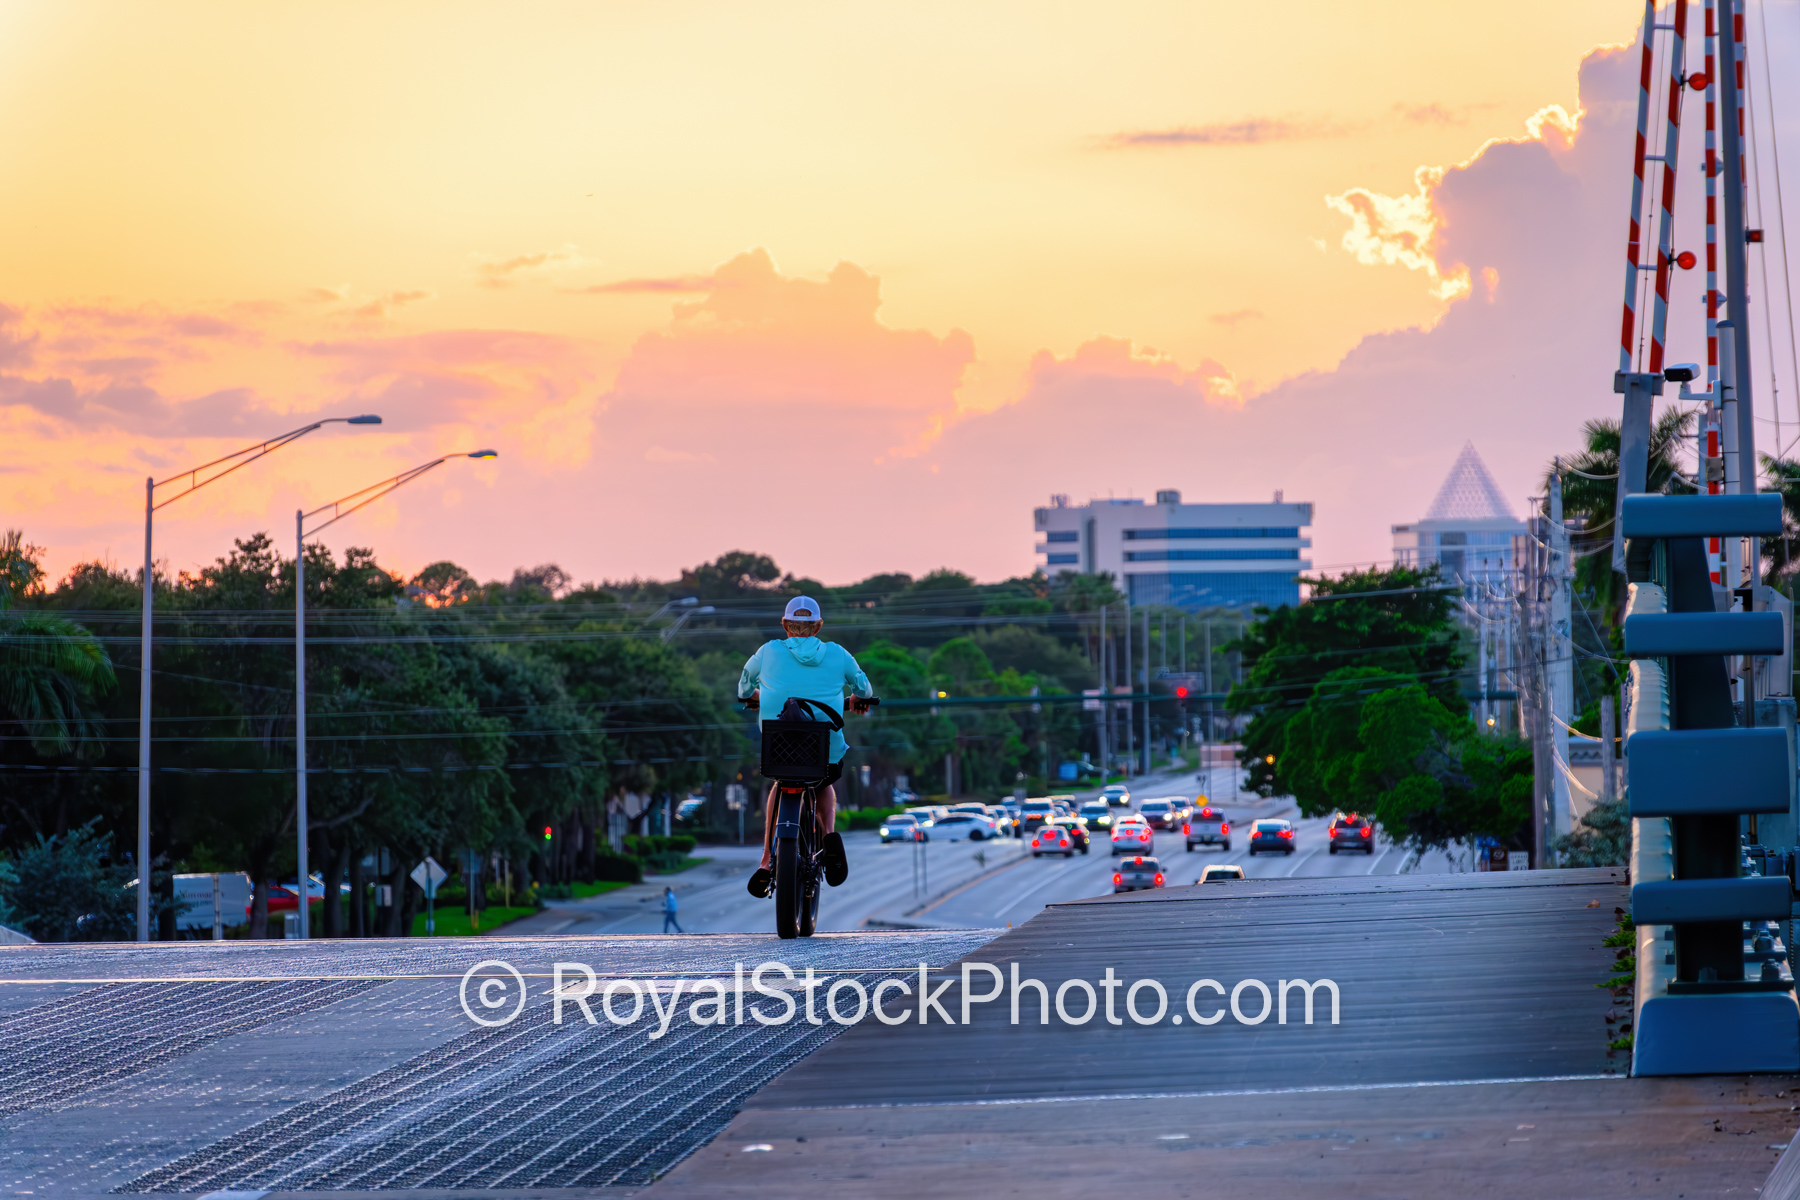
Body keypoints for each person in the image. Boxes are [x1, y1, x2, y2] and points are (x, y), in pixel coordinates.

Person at [738, 595, 875, 898]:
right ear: (818, 626)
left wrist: (754, 695)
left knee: (780, 782)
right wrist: (856, 700)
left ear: (785, 625)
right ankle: (827, 838)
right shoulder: (837, 654)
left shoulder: (768, 651)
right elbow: (865, 689)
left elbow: (744, 684)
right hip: (824, 748)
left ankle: (765, 860)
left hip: (780, 747)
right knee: (824, 779)